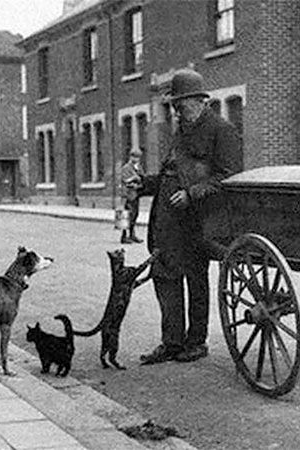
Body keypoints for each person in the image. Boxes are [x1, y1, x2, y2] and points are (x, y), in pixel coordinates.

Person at [138, 68, 242, 364]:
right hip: (168, 221)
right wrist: (144, 184)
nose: (176, 112)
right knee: (165, 276)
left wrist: (192, 193)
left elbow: (229, 177)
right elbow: (170, 175)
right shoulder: (182, 131)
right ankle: (171, 342)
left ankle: (196, 342)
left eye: (180, 106)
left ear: (198, 101)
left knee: (196, 280)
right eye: (173, 106)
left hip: (199, 221)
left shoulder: (222, 130)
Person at [120, 147, 145, 244]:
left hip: (135, 195)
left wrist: (139, 182)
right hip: (127, 195)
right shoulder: (126, 168)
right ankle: (124, 236)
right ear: (130, 157)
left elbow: (142, 179)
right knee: (126, 215)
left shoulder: (139, 168)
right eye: (134, 157)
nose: (135, 159)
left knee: (135, 214)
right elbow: (125, 181)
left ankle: (132, 234)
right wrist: (134, 179)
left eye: (138, 157)